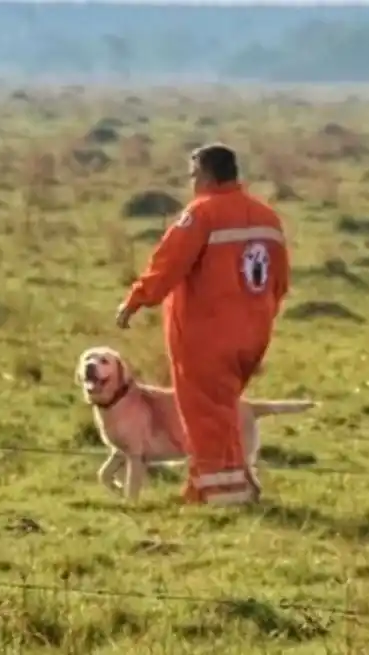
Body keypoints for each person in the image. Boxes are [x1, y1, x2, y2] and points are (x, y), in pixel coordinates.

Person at [115, 144, 290, 506]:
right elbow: (280, 280)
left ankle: (217, 494)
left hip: (206, 337)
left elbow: (167, 264)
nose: (192, 183)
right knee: (223, 409)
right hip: (253, 335)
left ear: (207, 174)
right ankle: (227, 484)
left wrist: (136, 299)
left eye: (193, 175)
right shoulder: (267, 217)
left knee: (204, 413)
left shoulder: (201, 214)